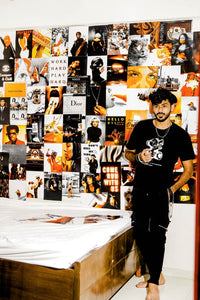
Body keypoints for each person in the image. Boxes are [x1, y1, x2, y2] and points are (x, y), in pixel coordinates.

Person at [125, 87, 195, 300]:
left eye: (164, 105)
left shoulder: (180, 135)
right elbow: (128, 152)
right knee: (139, 232)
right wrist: (139, 157)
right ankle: (158, 274)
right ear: (152, 107)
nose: (160, 109)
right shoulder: (142, 127)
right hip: (139, 189)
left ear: (173, 107)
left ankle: (153, 284)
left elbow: (188, 170)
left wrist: (170, 190)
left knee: (158, 235)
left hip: (160, 192)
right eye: (156, 105)